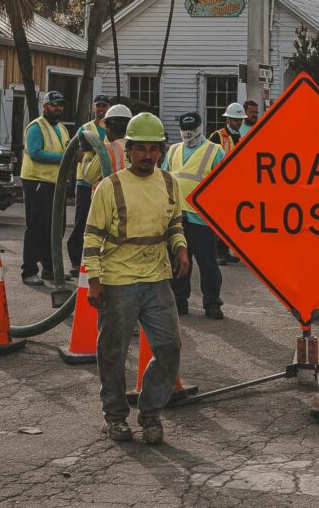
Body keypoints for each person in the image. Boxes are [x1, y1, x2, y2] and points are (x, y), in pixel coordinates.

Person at [83, 112, 189, 445]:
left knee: (169, 346)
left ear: (161, 150)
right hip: (118, 280)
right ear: (128, 150)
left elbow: (174, 223)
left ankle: (150, 413)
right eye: (140, 149)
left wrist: (181, 247)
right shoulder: (110, 187)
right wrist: (95, 281)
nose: (147, 155)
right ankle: (115, 417)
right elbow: (91, 237)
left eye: (153, 149)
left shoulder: (169, 183)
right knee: (112, 351)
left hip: (157, 277)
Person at [163, 112, 226, 319]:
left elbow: (225, 183)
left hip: (202, 219)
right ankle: (179, 300)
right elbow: (163, 179)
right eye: (185, 129)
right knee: (178, 262)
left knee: (207, 262)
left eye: (192, 129)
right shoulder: (173, 150)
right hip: (176, 217)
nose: (188, 133)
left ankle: (212, 302)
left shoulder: (214, 151)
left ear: (200, 127)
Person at [20, 91, 70, 285]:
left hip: (56, 183)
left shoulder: (62, 129)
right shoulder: (36, 127)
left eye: (60, 104)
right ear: (45, 107)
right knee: (36, 227)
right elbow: (35, 153)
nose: (58, 108)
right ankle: (29, 270)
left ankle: (50, 268)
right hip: (37, 182)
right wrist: (65, 159)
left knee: (56, 227)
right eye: (54, 104)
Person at [67, 94, 112, 276]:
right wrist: (93, 152)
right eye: (98, 106)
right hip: (85, 182)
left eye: (105, 106)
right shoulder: (85, 129)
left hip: (105, 181)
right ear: (94, 108)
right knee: (82, 222)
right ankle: (76, 261)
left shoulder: (112, 128)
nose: (101, 109)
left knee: (103, 223)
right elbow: (77, 154)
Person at [209, 102, 246, 265]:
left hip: (235, 185)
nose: (238, 122)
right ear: (228, 119)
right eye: (236, 119)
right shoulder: (217, 136)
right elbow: (209, 159)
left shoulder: (241, 137)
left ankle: (224, 250)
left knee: (229, 221)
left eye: (240, 120)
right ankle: (216, 251)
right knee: (217, 221)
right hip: (219, 184)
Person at [80, 105, 132, 186]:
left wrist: (88, 153)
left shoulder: (107, 149)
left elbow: (88, 178)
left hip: (114, 196)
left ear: (110, 127)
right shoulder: (137, 146)